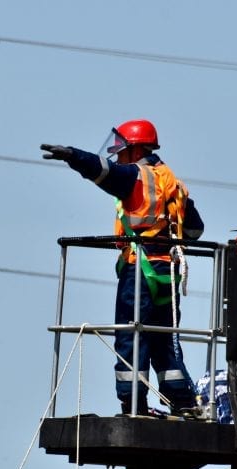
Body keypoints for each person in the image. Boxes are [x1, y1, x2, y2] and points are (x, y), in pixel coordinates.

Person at [40, 119, 204, 416]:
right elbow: (195, 230)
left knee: (132, 334)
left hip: (139, 269)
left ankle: (134, 405)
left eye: (121, 148)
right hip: (169, 269)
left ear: (136, 148)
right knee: (163, 337)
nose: (117, 154)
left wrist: (73, 156)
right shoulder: (172, 181)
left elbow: (105, 171)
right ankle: (183, 403)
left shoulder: (137, 177)